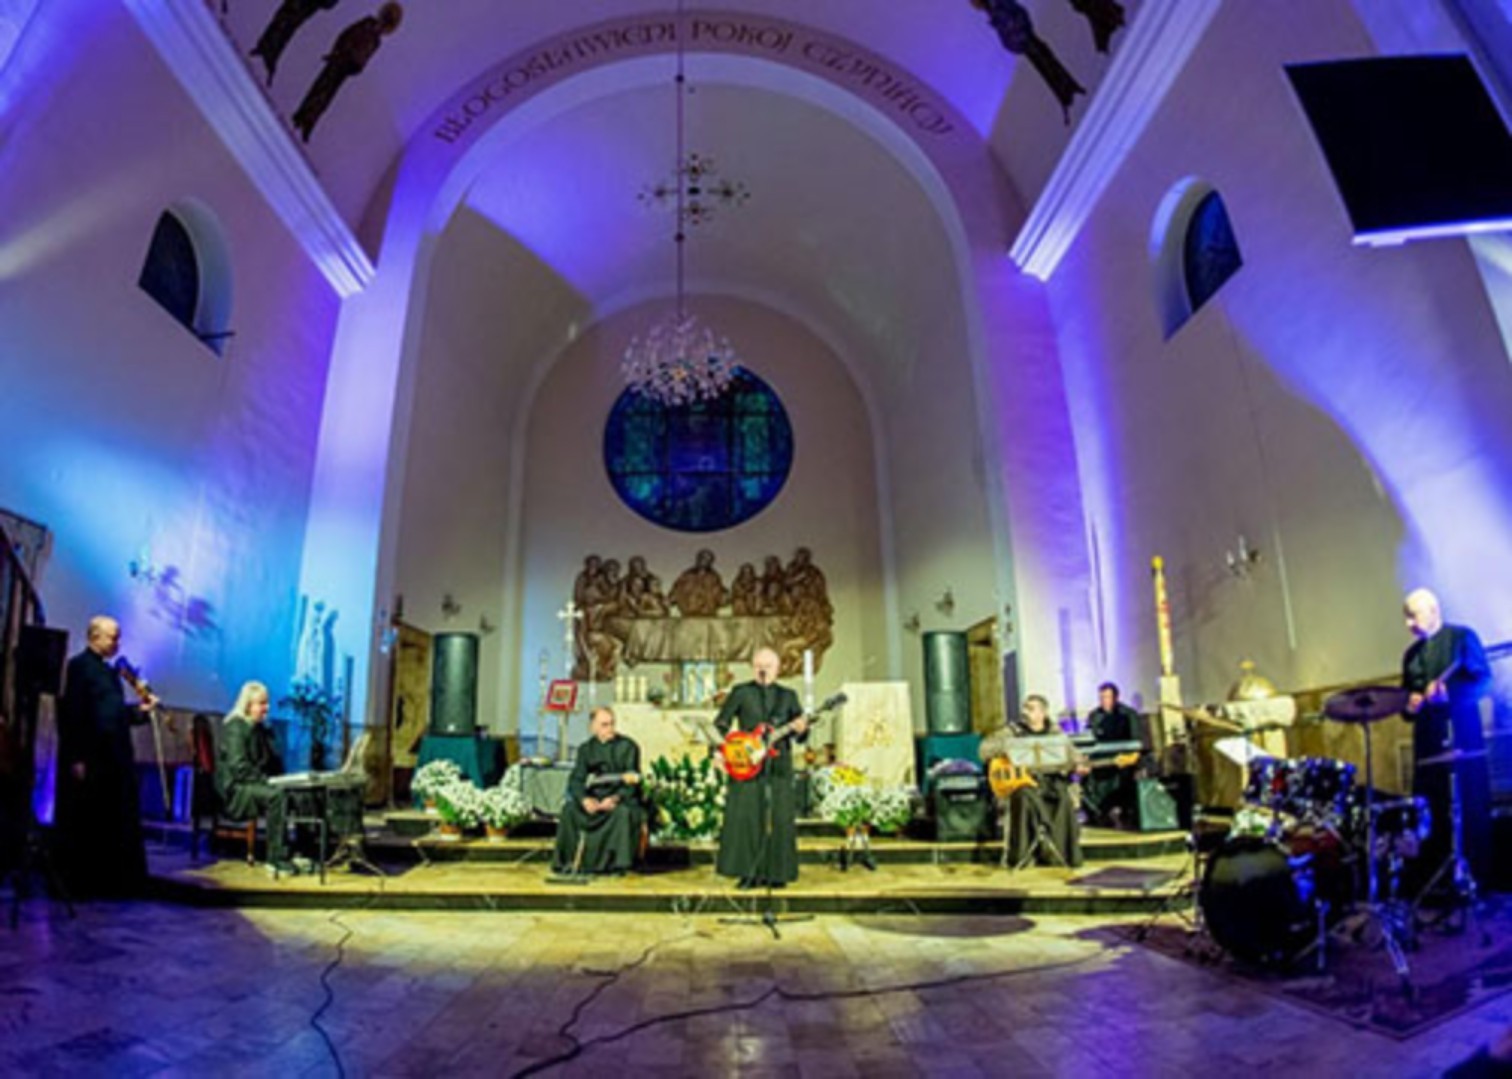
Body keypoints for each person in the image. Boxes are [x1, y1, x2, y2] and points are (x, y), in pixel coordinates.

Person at [54, 615, 158, 896]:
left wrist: (140, 712)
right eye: (113, 637)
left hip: (113, 756)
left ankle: (111, 882)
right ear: (95, 637)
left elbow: (114, 714)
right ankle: (83, 882)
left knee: (113, 819)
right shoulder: (79, 667)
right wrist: (76, 757)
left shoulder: (109, 672)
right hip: (92, 756)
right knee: (88, 820)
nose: (117, 643)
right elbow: (73, 714)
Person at [1401, 588, 1493, 886]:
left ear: (1433, 610)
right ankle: (1438, 883)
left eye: (1413, 616)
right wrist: (1410, 704)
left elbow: (1484, 683)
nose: (1408, 624)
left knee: (1468, 809)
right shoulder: (1410, 656)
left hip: (1462, 741)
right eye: (1405, 617)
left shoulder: (1463, 637)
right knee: (1432, 812)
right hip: (1427, 748)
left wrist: (1449, 695)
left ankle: (1475, 878)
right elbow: (1405, 705)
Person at [715, 647, 808, 889]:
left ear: (777, 669)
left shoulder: (788, 696)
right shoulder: (741, 692)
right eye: (758, 666)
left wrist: (801, 729)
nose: (762, 670)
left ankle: (777, 873)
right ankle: (748, 873)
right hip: (746, 764)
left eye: (768, 666)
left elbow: (800, 735)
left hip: (778, 766)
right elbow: (721, 724)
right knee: (747, 819)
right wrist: (720, 752)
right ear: (752, 668)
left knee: (778, 818)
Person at [979, 695, 1083, 868]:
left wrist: (1079, 765)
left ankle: (1060, 853)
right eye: (1025, 708)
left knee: (1063, 796)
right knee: (1024, 796)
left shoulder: (1056, 734)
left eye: (1031, 708)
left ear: (1043, 713)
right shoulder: (1012, 731)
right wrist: (1008, 746)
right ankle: (1022, 855)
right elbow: (983, 750)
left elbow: (1074, 756)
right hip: (1023, 782)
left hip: (1051, 781)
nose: (1026, 712)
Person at [552, 708, 643, 876]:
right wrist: (584, 800)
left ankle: (616, 864)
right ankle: (569, 862)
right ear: (593, 727)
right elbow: (576, 780)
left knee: (622, 814)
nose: (610, 729)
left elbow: (633, 783)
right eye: (604, 725)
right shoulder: (586, 749)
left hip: (619, 799)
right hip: (594, 799)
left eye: (612, 724)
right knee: (569, 810)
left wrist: (614, 799)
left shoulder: (628, 747)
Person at [215, 681, 294, 869]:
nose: (267, 708)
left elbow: (271, 763)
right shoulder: (236, 727)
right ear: (248, 705)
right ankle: (276, 858)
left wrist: (283, 779)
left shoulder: (259, 728)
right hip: (236, 789)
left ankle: (300, 851)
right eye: (262, 703)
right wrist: (267, 781)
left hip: (252, 782)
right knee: (276, 796)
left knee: (298, 793)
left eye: (267, 703)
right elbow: (239, 767)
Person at [1081, 681, 1141, 827]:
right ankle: (1097, 814)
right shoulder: (1094, 715)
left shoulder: (1128, 714)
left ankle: (1120, 812)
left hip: (1121, 759)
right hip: (1100, 759)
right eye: (1101, 697)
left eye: (1107, 697)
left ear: (1115, 697)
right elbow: (1088, 738)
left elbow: (1135, 742)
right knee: (1086, 778)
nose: (1104, 701)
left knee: (1121, 778)